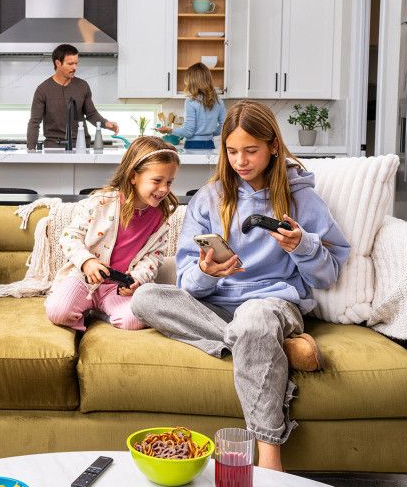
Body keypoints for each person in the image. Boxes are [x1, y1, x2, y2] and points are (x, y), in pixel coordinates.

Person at [131, 100, 350, 471]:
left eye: (250, 150)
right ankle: (271, 346)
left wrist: (302, 246)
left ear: (273, 146)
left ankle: (269, 460)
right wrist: (207, 272)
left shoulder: (302, 198)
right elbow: (187, 284)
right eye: (232, 152)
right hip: (217, 305)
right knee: (145, 298)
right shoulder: (209, 198)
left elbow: (327, 276)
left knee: (253, 321)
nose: (240, 161)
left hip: (271, 304)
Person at [45, 136, 180, 331]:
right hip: (84, 279)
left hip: (118, 288)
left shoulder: (160, 217)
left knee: (134, 321)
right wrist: (87, 262)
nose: (164, 189)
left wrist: (138, 278)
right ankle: (88, 307)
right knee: (57, 312)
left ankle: (99, 313)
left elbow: (154, 256)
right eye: (157, 181)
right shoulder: (103, 202)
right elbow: (70, 236)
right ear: (133, 176)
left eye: (169, 182)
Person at [26, 44, 119, 150]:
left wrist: (106, 123)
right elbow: (34, 122)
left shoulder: (83, 86)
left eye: (76, 63)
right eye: (70, 64)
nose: (74, 67)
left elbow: (91, 114)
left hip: (81, 146)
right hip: (54, 148)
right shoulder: (43, 90)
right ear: (58, 63)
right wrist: (31, 149)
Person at [156, 62, 225, 150]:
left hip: (193, 145)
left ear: (191, 82)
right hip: (209, 144)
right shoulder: (218, 101)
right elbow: (224, 126)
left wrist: (169, 130)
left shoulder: (191, 101)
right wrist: (209, 133)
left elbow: (188, 132)